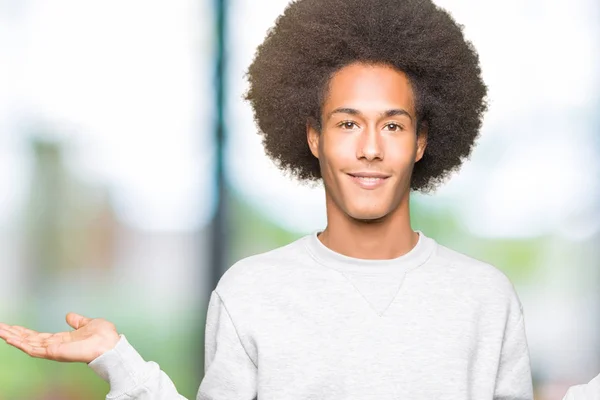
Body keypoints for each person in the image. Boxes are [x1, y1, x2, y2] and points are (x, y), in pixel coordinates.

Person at [0, 0, 596, 399]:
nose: (369, 148)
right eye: (346, 124)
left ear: (422, 141)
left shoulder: (485, 298)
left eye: (392, 125)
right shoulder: (251, 292)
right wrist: (119, 361)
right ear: (312, 136)